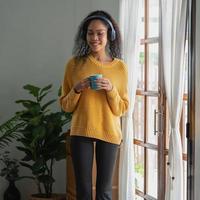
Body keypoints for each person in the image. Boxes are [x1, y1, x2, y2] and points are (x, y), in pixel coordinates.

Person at [59, 10, 129, 200]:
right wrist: (77, 89)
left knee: (104, 192)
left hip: (109, 132)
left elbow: (121, 108)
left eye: (100, 33)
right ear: (85, 35)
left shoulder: (120, 67)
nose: (94, 38)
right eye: (90, 33)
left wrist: (111, 89)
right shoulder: (73, 65)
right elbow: (65, 105)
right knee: (83, 190)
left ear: (110, 35)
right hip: (81, 131)